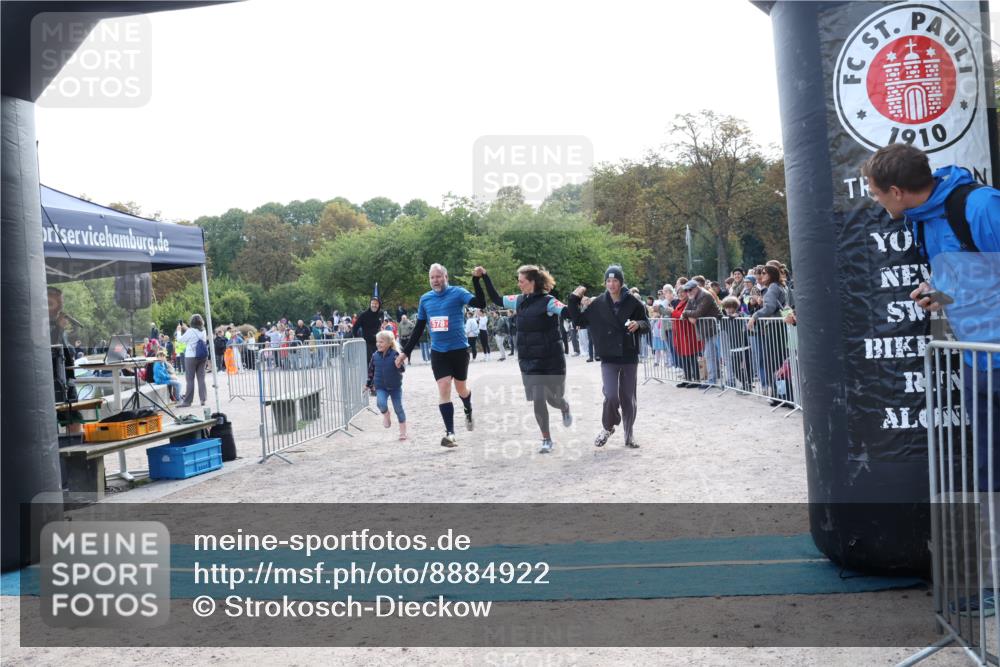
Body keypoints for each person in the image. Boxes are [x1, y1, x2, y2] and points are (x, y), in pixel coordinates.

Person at [477, 265, 572, 454]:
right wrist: (485, 276)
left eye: (522, 281)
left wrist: (575, 300)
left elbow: (568, 313)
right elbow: (496, 299)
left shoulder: (549, 302)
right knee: (538, 398)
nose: (518, 284)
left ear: (532, 282)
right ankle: (546, 438)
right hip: (529, 360)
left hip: (550, 359)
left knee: (553, 399)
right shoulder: (518, 301)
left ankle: (564, 406)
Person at [396, 263, 486, 447]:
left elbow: (480, 303)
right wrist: (405, 353)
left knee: (461, 389)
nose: (435, 280)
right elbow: (419, 327)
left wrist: (477, 280)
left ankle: (468, 408)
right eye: (432, 277)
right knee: (444, 387)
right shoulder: (425, 299)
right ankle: (450, 434)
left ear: (446, 277)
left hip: (459, 350)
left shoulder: (458, 292)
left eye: (438, 276)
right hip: (438, 351)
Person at [567, 265, 649, 449]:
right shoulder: (597, 304)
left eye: (615, 280)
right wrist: (574, 299)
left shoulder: (633, 303)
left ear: (621, 282)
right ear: (605, 283)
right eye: (608, 281)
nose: (611, 284)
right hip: (608, 357)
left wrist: (639, 324)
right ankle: (608, 427)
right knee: (611, 395)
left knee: (628, 398)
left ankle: (629, 435)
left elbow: (647, 324)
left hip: (628, 355)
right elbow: (579, 321)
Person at [365, 330, 408, 441]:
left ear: (389, 343)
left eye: (381, 342)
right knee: (381, 403)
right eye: (377, 342)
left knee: (398, 408)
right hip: (381, 387)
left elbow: (403, 369)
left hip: (395, 387)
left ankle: (403, 432)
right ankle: (386, 414)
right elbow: (371, 371)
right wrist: (368, 384)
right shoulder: (375, 356)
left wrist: (398, 365)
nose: (378, 344)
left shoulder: (395, 355)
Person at [682, 279, 722, 386]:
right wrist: (689, 314)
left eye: (690, 290)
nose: (688, 292)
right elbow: (684, 314)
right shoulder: (692, 297)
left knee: (720, 355)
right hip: (706, 331)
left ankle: (721, 381)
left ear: (696, 288)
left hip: (716, 329)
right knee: (709, 355)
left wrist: (687, 313)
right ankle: (713, 379)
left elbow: (697, 313)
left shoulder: (705, 295)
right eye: (686, 290)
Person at [177, 313, 209, 407]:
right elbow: (195, 334)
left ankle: (187, 401)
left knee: (190, 379)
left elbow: (180, 340)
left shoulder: (190, 331)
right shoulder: (203, 330)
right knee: (201, 378)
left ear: (192, 322)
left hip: (191, 357)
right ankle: (203, 399)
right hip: (202, 356)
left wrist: (179, 331)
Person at [352, 296, 384, 370]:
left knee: (379, 360)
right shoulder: (364, 314)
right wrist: (358, 339)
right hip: (367, 342)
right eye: (372, 303)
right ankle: (369, 379)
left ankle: (378, 378)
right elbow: (355, 327)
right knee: (370, 361)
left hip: (378, 341)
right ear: (370, 304)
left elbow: (381, 326)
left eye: (376, 304)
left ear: (379, 305)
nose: (374, 305)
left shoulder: (381, 313)